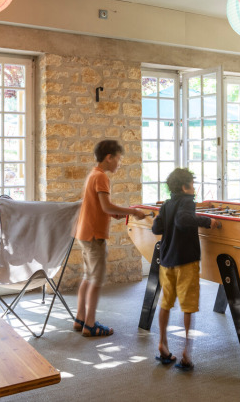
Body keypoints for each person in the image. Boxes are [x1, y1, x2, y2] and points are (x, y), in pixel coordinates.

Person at [73, 140, 145, 337]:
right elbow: (106, 206)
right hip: (95, 235)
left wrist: (117, 214)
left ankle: (80, 318)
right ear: (109, 157)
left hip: (84, 233)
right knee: (96, 280)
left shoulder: (93, 174)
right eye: (119, 159)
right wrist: (133, 211)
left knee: (88, 277)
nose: (119, 164)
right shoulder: (102, 177)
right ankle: (90, 324)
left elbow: (101, 207)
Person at [151, 168, 221, 371]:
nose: (194, 188)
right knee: (188, 306)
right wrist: (208, 221)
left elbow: (157, 229)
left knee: (166, 303)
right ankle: (186, 353)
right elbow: (183, 220)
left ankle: (163, 344)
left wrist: (163, 217)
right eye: (192, 183)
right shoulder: (187, 202)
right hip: (186, 262)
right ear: (185, 187)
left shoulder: (167, 204)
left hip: (167, 261)